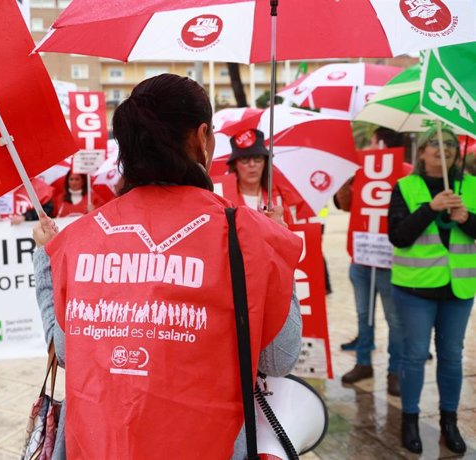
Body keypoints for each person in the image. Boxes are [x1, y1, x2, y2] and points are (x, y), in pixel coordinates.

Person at [32, 74, 303, 459]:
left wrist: (46, 264)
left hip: (94, 447)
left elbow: (67, 349)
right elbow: (279, 357)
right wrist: (279, 252)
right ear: (201, 136)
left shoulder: (81, 238)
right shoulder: (246, 234)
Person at [389, 126, 475, 455]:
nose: (444, 149)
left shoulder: (471, 186)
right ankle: (409, 420)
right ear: (423, 151)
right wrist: (431, 208)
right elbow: (398, 235)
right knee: (413, 357)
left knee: (452, 358)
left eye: (451, 145)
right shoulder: (405, 186)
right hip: (415, 289)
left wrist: (467, 218)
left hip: (459, 288)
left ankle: (449, 422)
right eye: (437, 145)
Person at [335, 127, 405, 397]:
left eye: (372, 141)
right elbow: (344, 205)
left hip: (390, 261)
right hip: (361, 258)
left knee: (394, 319)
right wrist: (344, 182)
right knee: (364, 316)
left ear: (381, 142)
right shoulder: (362, 171)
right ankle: (363, 363)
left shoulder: (407, 172)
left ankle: (394, 371)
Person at [212, 129, 298, 225]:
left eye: (257, 158)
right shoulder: (221, 196)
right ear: (235, 164)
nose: (252, 164)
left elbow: (294, 232)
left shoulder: (281, 196)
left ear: (265, 162)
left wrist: (283, 231)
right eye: (244, 159)